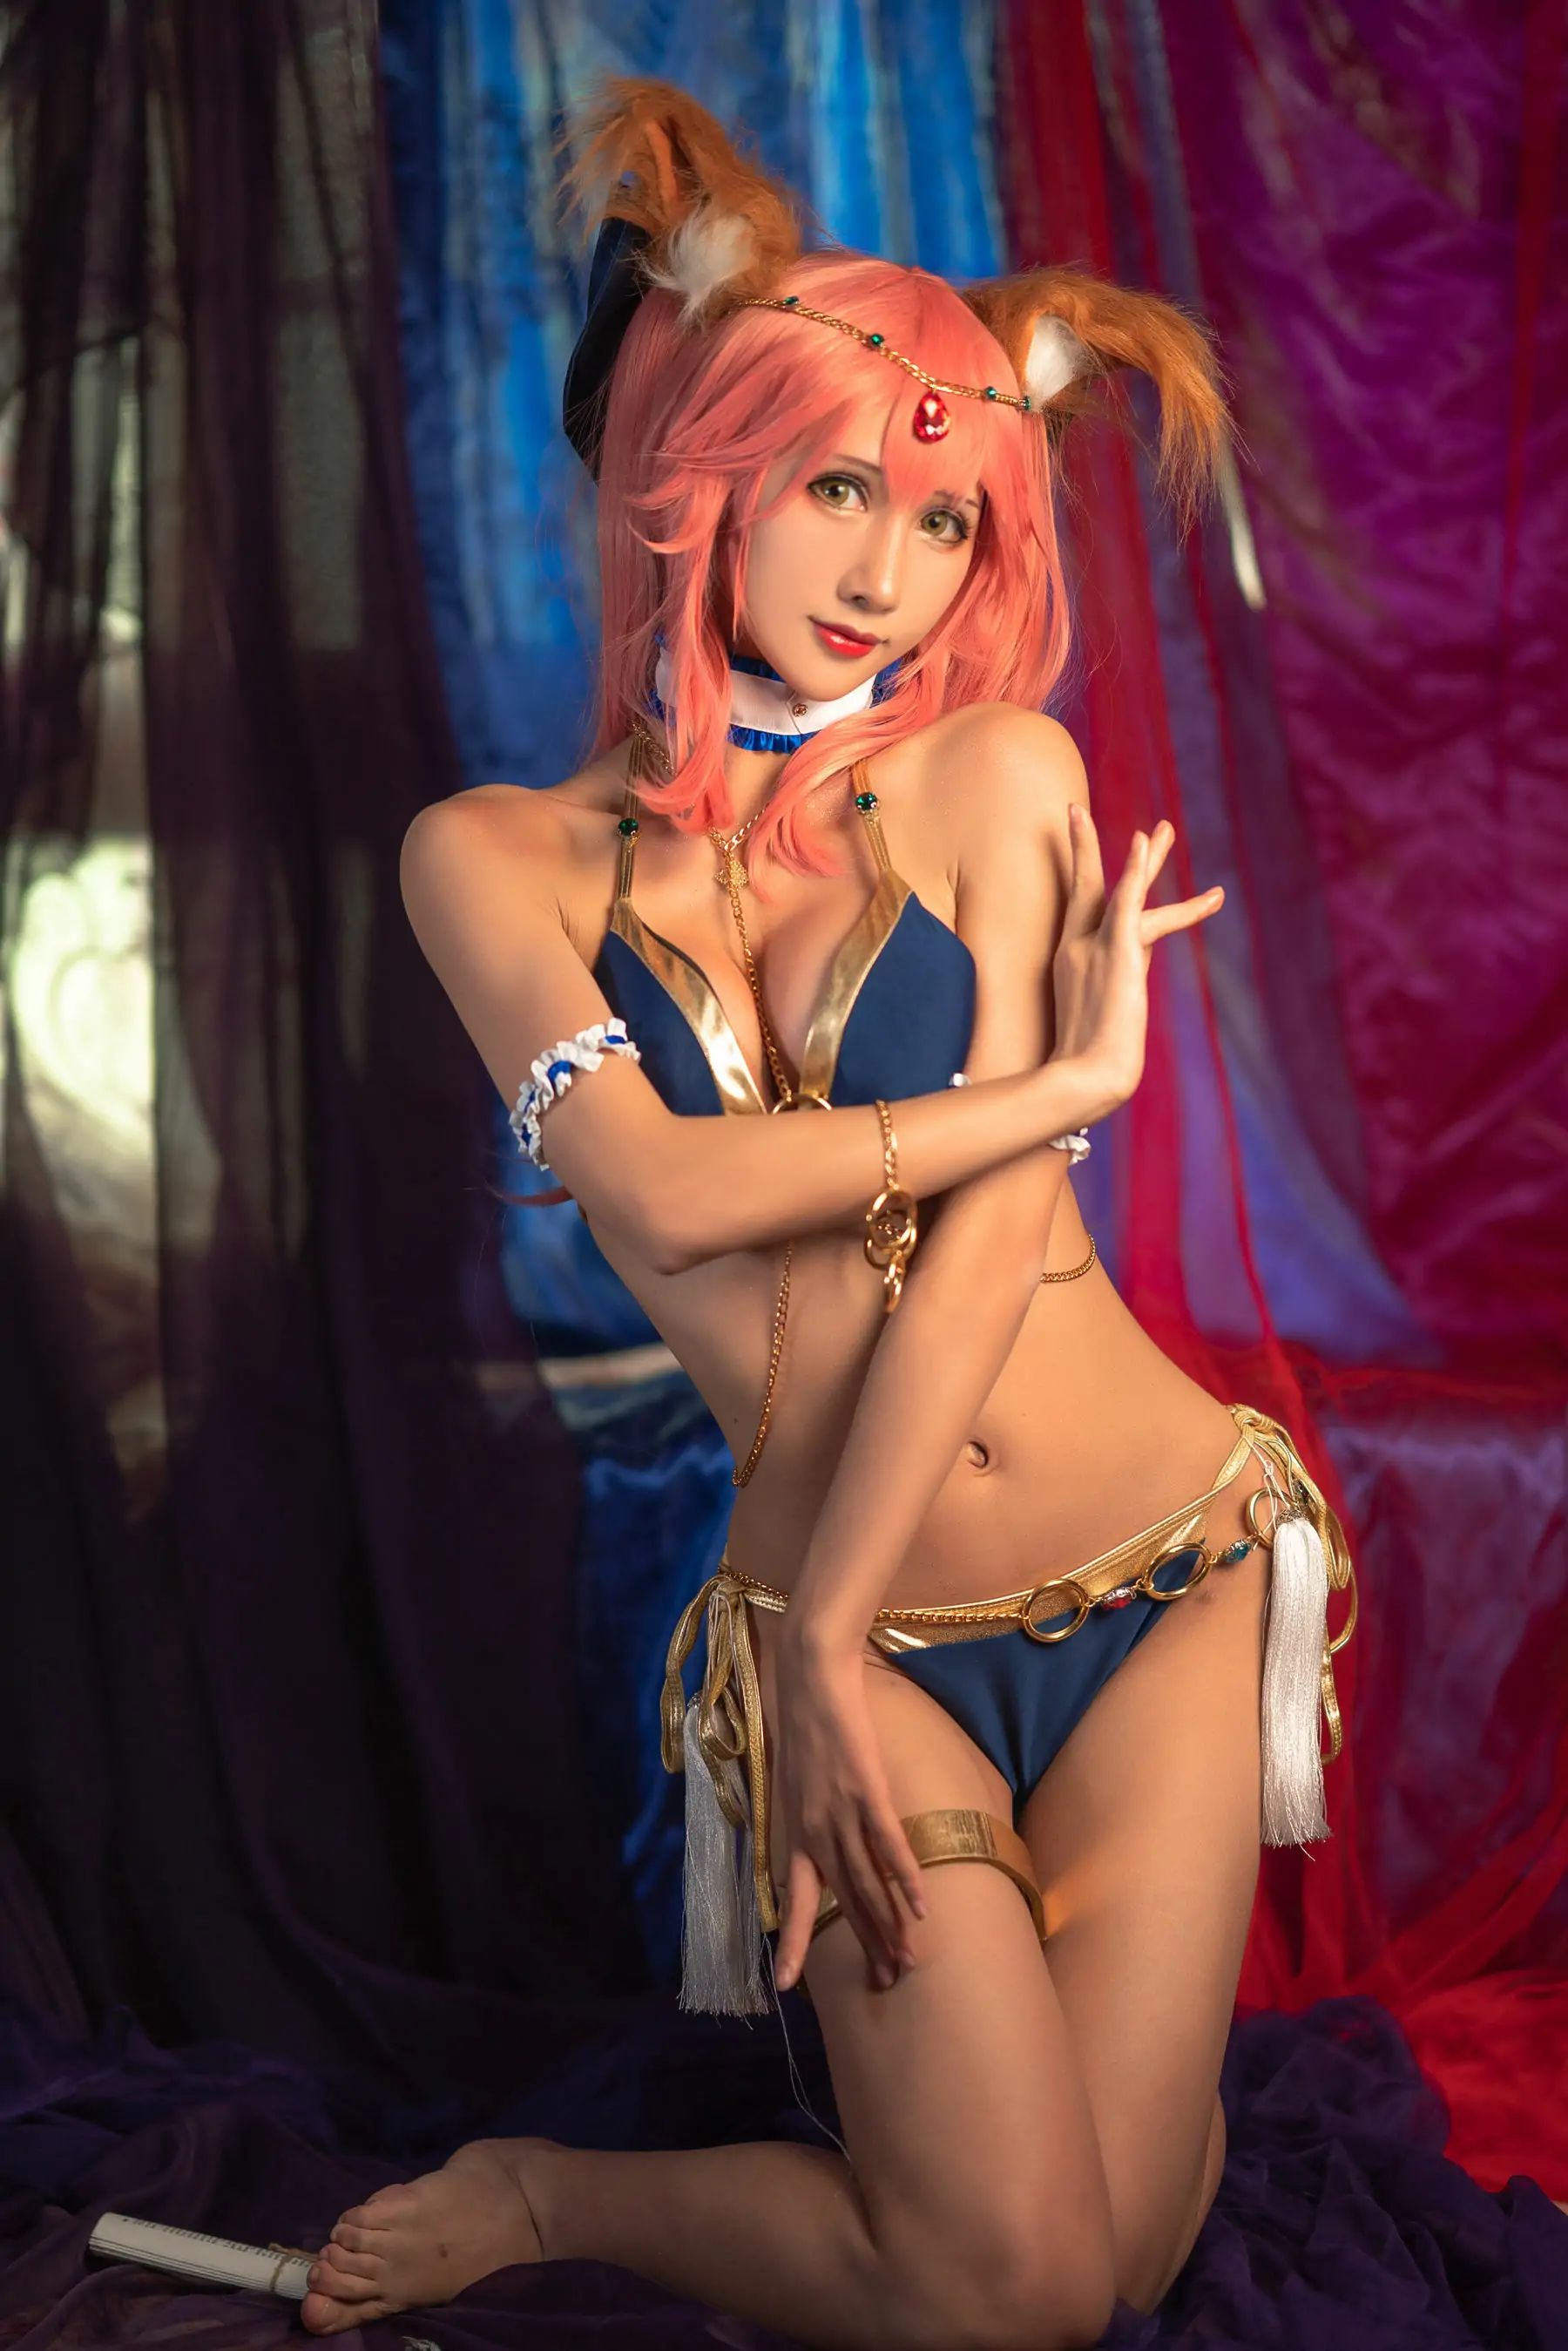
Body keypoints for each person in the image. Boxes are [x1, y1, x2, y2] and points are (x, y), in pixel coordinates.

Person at [301, 80, 1354, 2351]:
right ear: (704, 475)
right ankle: (558, 2195)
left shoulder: (995, 773)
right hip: (850, 1642)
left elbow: (988, 1248)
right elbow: (663, 1186)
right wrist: (1050, 1094)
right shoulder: (492, 862)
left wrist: (835, 1600)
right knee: (1011, 2292)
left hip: (1157, 1569)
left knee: (1116, 2273)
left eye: (950, 516)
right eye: (841, 487)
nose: (891, 569)